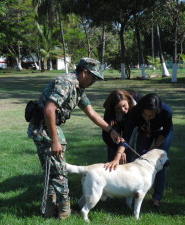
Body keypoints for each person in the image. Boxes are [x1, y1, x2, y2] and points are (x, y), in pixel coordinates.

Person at [27, 58, 123, 219]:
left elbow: (91, 113)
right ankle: (64, 214)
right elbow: (50, 109)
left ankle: (50, 212)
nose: (94, 81)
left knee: (51, 171)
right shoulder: (67, 82)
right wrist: (55, 140)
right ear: (85, 73)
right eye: (94, 77)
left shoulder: (78, 88)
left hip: (46, 128)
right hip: (45, 129)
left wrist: (111, 130)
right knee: (59, 173)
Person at [104, 93, 173, 207]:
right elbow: (126, 136)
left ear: (158, 112)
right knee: (141, 160)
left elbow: (165, 133)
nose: (147, 118)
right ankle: (136, 189)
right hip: (145, 132)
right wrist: (117, 157)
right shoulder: (135, 112)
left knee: (159, 163)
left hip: (162, 135)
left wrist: (153, 149)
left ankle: (157, 197)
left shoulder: (166, 112)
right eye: (145, 115)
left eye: (151, 116)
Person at [102, 90, 137, 163]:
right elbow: (106, 135)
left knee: (129, 144)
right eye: (118, 108)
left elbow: (127, 135)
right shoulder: (109, 112)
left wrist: (120, 152)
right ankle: (112, 167)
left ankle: (130, 167)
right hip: (116, 122)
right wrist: (118, 150)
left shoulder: (135, 106)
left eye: (124, 106)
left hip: (130, 124)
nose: (123, 110)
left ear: (127, 100)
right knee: (114, 142)